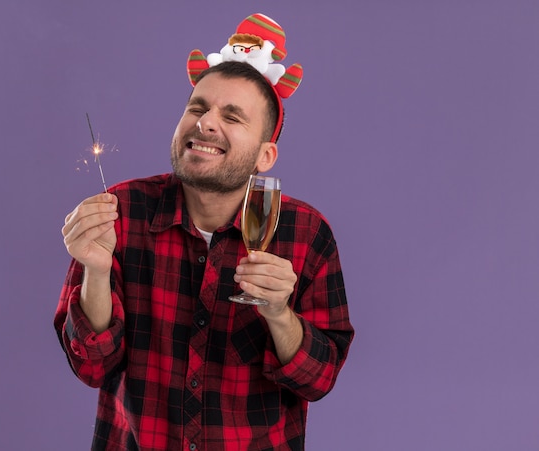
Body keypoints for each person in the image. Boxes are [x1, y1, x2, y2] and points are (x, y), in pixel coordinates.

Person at [55, 14, 354, 451]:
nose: (206, 122)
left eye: (232, 117)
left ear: (265, 154)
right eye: (198, 107)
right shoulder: (120, 212)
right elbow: (92, 368)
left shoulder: (307, 234)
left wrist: (278, 314)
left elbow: (320, 378)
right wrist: (95, 274)